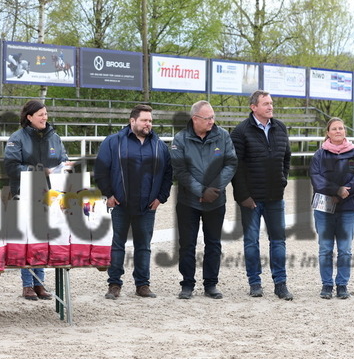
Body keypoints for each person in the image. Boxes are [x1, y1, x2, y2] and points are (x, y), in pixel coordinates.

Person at [94, 104, 172, 299]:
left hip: (147, 206)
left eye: (150, 121)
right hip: (120, 204)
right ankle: (114, 284)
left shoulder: (159, 145)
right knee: (117, 245)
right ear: (132, 121)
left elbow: (168, 173)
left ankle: (142, 285)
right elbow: (101, 169)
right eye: (144, 120)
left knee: (143, 246)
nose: (148, 124)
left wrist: (161, 198)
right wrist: (108, 194)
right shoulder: (113, 142)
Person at [170, 101, 237, 300]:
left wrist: (214, 188)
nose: (211, 121)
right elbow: (180, 170)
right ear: (195, 119)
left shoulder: (223, 136)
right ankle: (187, 284)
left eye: (213, 117)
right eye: (207, 118)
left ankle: (211, 284)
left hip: (216, 200)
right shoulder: (180, 139)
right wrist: (201, 191)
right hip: (188, 201)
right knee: (187, 244)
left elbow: (231, 163)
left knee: (213, 244)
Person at [230, 90, 293, 300]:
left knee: (278, 241)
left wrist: (282, 179)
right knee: (251, 241)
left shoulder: (280, 127)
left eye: (271, 103)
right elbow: (236, 167)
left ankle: (280, 283)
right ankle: (254, 282)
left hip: (275, 196)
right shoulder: (240, 131)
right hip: (251, 199)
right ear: (253, 107)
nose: (270, 107)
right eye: (266, 103)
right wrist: (243, 195)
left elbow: (286, 157)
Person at [4, 100, 69, 301]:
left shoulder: (54, 137)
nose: (44, 117)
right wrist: (39, 171)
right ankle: (27, 284)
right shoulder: (17, 138)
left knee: (42, 238)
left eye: (46, 114)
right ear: (29, 117)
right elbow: (11, 167)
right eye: (40, 114)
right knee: (27, 239)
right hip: (25, 194)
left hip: (50, 194)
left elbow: (62, 159)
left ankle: (39, 282)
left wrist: (66, 165)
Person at [309, 118, 354, 300]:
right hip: (324, 207)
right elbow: (316, 179)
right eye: (334, 129)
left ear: (345, 131)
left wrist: (343, 193)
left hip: (349, 208)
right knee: (325, 248)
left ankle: (342, 285)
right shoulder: (319, 155)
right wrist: (336, 190)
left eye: (341, 128)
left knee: (345, 249)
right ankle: (327, 284)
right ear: (328, 133)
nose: (338, 131)